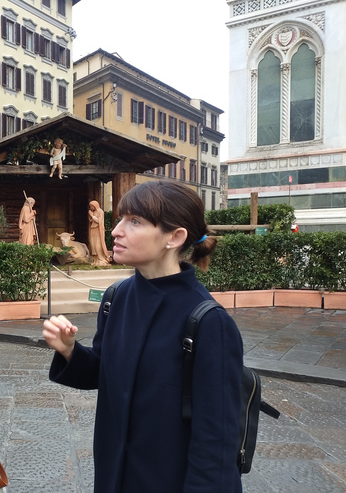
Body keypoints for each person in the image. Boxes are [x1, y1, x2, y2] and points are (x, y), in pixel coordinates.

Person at [43, 180, 244, 493]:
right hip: (113, 478)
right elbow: (103, 372)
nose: (115, 231)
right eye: (121, 219)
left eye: (134, 221)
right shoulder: (116, 299)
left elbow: (217, 443)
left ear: (175, 237)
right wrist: (70, 351)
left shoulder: (209, 322)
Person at [87, 200, 110, 266]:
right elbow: (92, 221)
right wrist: (90, 217)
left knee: (98, 245)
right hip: (92, 230)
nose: (91, 207)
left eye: (92, 206)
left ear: (95, 205)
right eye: (90, 206)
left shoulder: (100, 211)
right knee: (93, 245)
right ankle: (96, 260)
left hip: (98, 230)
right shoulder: (93, 212)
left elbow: (98, 221)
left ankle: (102, 260)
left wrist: (92, 216)